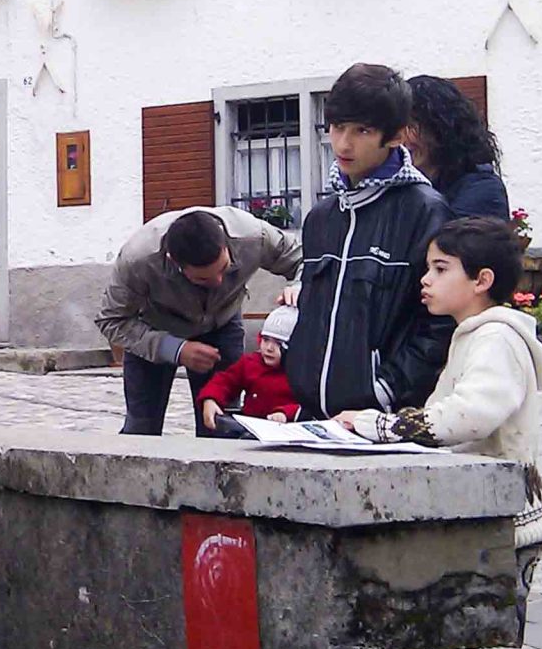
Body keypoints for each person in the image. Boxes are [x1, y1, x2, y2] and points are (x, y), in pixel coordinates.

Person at [332, 216, 542, 642]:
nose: (426, 279)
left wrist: (379, 426)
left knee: (487, 641)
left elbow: (466, 416)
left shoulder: (495, 340)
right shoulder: (472, 337)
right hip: (485, 512)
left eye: (440, 268)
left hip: (503, 519)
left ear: (481, 280)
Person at [282, 63, 454, 419]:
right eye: (337, 127)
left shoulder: (425, 211)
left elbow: (440, 323)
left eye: (362, 130)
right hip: (313, 417)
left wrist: (384, 392)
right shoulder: (322, 216)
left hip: (380, 422)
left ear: (395, 136)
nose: (343, 143)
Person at [97, 206, 301, 436]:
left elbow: (307, 258)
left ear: (226, 244)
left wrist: (299, 286)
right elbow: (112, 320)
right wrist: (174, 349)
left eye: (224, 269)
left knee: (221, 424)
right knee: (141, 428)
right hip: (153, 328)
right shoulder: (137, 260)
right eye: (202, 278)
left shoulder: (254, 236)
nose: (218, 281)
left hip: (222, 323)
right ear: (173, 262)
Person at [403, 75, 508, 220]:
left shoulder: (481, 189)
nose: (402, 139)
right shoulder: (406, 187)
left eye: (412, 127)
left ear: (441, 130)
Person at [197, 304, 302, 435]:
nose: (269, 348)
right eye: (266, 340)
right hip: (249, 429)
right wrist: (211, 398)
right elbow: (225, 381)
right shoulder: (251, 363)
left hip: (288, 432)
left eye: (278, 343)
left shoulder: (302, 373)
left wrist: (286, 413)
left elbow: (310, 406)